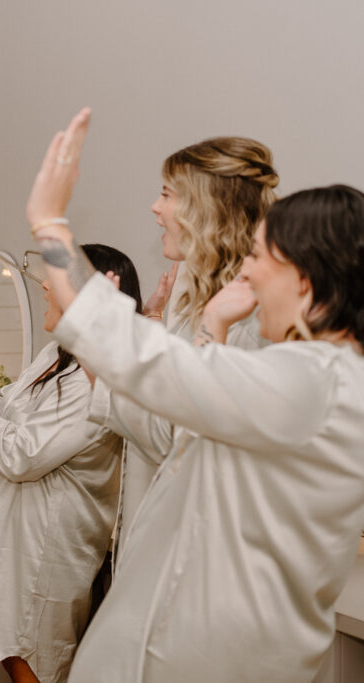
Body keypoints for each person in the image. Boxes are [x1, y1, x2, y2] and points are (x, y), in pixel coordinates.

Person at [28, 108, 364, 682]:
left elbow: (161, 371)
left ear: (305, 280)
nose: (250, 278)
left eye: (262, 260)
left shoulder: (316, 382)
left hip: (216, 648)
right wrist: (208, 324)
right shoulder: (310, 375)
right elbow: (198, 410)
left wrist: (50, 224)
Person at [0, 244, 140, 683]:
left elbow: (19, 454)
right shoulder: (54, 356)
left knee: (37, 662)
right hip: (15, 537)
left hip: (47, 548)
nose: (45, 284)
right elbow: (3, 418)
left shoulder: (92, 381)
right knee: (15, 655)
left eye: (58, 280)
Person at [112, 136, 279, 555]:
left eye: (166, 194)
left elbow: (178, 436)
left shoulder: (255, 318)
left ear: (206, 210)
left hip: (202, 547)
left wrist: (107, 351)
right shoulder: (192, 294)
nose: (155, 207)